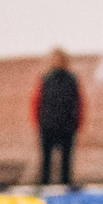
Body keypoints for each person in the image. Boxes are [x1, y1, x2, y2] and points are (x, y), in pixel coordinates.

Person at [33, 47, 83, 187]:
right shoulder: (45, 79)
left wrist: (77, 124)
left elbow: (79, 103)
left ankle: (66, 189)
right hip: (48, 126)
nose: (58, 62)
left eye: (60, 59)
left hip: (67, 127)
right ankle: (44, 189)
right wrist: (38, 123)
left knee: (66, 165)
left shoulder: (72, 80)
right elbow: (36, 103)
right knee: (46, 164)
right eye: (55, 59)